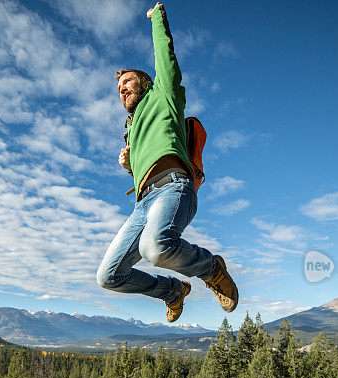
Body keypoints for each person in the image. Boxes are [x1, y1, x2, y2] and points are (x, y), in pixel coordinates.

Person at [96, 2, 238, 322]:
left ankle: (211, 269)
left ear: (145, 82)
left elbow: (166, 60)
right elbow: (144, 164)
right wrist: (130, 167)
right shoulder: (132, 131)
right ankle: (172, 291)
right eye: (119, 89)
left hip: (174, 187)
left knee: (155, 249)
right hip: (142, 204)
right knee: (108, 276)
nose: (122, 90)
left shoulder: (163, 96)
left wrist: (157, 19)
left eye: (128, 82)